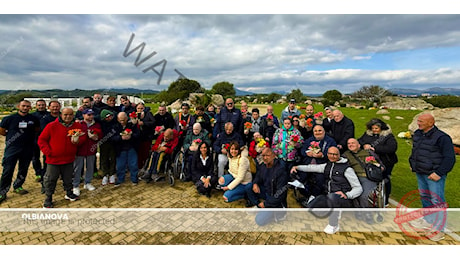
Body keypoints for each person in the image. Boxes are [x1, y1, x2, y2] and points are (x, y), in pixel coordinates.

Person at [291, 146, 362, 234]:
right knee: (310, 207)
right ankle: (332, 210)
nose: (332, 156)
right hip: (329, 196)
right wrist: (297, 167)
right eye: (330, 154)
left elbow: (358, 188)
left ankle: (334, 224)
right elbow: (312, 168)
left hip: (343, 199)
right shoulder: (327, 165)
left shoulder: (347, 169)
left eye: (335, 154)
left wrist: (347, 195)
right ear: (327, 154)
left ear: (339, 155)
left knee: (333, 197)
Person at [408, 113, 456, 241]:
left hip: (434, 174)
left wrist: (439, 173)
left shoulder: (442, 138)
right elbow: (416, 151)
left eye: (422, 121)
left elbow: (450, 158)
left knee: (437, 201)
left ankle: (439, 230)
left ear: (431, 123)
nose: (419, 123)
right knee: (425, 197)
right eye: (418, 121)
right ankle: (428, 220)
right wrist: (413, 164)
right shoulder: (418, 134)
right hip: (421, 171)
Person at [38, 108, 86, 208]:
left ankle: (69, 193)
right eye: (65, 115)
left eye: (70, 115)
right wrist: (48, 152)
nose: (68, 117)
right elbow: (42, 140)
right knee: (51, 179)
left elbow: (82, 137)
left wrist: (78, 141)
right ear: (61, 115)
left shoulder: (77, 126)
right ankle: (48, 198)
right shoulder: (52, 126)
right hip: (54, 159)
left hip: (69, 158)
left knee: (68, 178)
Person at [0, 100, 40, 204]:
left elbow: (36, 129)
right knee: (8, 170)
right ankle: (2, 191)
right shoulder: (9, 118)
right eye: (23, 106)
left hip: (27, 148)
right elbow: (2, 130)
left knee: (23, 169)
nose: (25, 108)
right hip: (12, 148)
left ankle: (18, 186)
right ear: (18, 106)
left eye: (27, 106)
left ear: (30, 108)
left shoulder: (33, 119)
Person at [358, 118, 398, 206]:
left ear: (381, 128)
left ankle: (385, 199)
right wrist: (363, 145)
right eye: (373, 128)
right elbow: (359, 141)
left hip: (386, 161)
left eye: (376, 128)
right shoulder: (368, 134)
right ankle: (373, 196)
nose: (374, 130)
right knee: (372, 177)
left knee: (385, 179)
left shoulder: (388, 136)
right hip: (372, 161)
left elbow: (392, 148)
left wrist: (375, 148)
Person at [343, 138, 383, 224]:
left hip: (367, 176)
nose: (350, 145)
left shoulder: (368, 152)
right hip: (353, 178)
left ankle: (367, 213)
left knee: (364, 195)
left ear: (359, 145)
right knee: (354, 192)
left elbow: (381, 165)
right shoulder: (346, 155)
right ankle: (359, 211)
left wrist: (376, 165)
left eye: (353, 143)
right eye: (349, 143)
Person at [293, 125, 337, 202]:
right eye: (315, 131)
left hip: (321, 165)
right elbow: (302, 150)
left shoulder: (330, 141)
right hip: (308, 164)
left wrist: (322, 155)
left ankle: (314, 196)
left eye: (319, 130)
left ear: (324, 132)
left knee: (320, 180)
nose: (317, 132)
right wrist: (307, 153)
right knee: (300, 178)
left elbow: (334, 152)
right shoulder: (309, 140)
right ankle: (305, 194)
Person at [246, 147, 288, 226]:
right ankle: (258, 206)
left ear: (273, 155)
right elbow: (258, 177)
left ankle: (279, 214)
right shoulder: (263, 166)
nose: (265, 158)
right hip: (266, 193)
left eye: (267, 155)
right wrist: (255, 183)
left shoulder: (281, 171)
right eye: (263, 156)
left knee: (259, 221)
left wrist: (266, 204)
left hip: (276, 200)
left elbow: (280, 194)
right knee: (249, 187)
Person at [72, 109, 103, 196]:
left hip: (91, 150)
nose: (91, 116)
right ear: (84, 115)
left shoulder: (96, 124)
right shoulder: (78, 124)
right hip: (80, 150)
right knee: (78, 168)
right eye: (88, 115)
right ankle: (76, 185)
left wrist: (95, 137)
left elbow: (100, 135)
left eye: (92, 115)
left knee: (90, 167)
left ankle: (88, 182)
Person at [38, 100, 61, 193]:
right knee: (48, 167)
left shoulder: (63, 117)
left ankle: (66, 184)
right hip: (50, 146)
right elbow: (45, 133)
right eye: (53, 107)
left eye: (57, 106)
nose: (55, 108)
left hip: (63, 146)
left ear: (60, 107)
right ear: (49, 107)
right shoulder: (45, 119)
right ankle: (45, 185)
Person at [112, 112, 140, 186]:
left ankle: (134, 179)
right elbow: (112, 138)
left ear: (127, 118)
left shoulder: (132, 125)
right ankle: (120, 179)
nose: (122, 121)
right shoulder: (115, 127)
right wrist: (121, 138)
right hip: (120, 149)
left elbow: (138, 134)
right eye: (121, 120)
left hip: (131, 147)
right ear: (118, 119)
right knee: (120, 165)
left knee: (133, 164)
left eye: (124, 119)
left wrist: (131, 136)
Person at [31, 99, 49, 182]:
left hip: (47, 140)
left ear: (46, 106)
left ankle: (45, 172)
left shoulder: (49, 115)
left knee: (46, 156)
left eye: (43, 105)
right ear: (36, 106)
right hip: (35, 139)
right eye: (39, 105)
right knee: (35, 157)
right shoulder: (32, 116)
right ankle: (38, 173)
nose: (41, 106)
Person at [99, 109, 118, 185]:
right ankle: (105, 174)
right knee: (104, 158)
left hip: (113, 142)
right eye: (107, 117)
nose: (109, 118)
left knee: (113, 158)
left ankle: (112, 174)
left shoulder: (114, 122)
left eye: (110, 116)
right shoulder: (101, 123)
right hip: (103, 143)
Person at [135, 102, 156, 169]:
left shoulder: (148, 114)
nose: (140, 110)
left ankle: (146, 166)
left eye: (141, 108)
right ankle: (139, 167)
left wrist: (144, 123)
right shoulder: (134, 115)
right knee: (138, 153)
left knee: (146, 152)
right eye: (138, 108)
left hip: (146, 136)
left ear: (144, 108)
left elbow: (153, 122)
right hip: (138, 137)